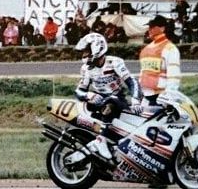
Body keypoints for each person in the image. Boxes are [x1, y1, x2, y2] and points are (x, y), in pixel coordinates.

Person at [72, 33, 143, 162]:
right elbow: (78, 91)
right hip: (98, 101)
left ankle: (106, 140)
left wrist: (136, 100)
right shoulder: (86, 69)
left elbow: (132, 82)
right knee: (105, 101)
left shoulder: (114, 62)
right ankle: (101, 140)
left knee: (112, 100)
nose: (84, 55)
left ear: (96, 48)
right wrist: (89, 95)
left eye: (86, 51)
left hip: (117, 99)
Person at [139, 15, 181, 107]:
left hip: (161, 98)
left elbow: (174, 77)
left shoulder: (170, 49)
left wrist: (168, 98)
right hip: (145, 98)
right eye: (149, 27)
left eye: (153, 27)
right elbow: (143, 73)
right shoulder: (146, 49)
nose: (149, 30)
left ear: (162, 28)